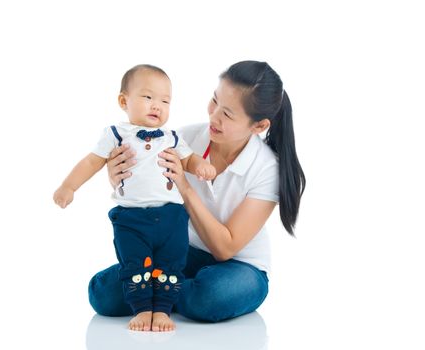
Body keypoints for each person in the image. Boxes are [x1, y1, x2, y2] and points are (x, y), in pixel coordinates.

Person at [88, 60, 306, 327]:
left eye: (227, 114)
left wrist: (184, 184)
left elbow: (225, 248)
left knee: (210, 296)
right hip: (183, 251)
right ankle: (164, 286)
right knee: (102, 295)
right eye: (214, 101)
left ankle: (159, 289)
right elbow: (142, 188)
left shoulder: (268, 168)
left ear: (259, 126)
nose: (214, 117)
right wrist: (116, 174)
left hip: (239, 266)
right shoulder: (182, 138)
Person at [53, 64, 216, 332]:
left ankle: (163, 309)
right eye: (148, 97)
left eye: (165, 101)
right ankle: (142, 308)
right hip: (131, 218)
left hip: (171, 216)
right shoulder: (115, 135)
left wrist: (201, 166)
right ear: (123, 101)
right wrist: (68, 186)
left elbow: (189, 159)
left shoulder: (171, 137)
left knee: (170, 262)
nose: (157, 106)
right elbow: (91, 162)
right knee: (134, 264)